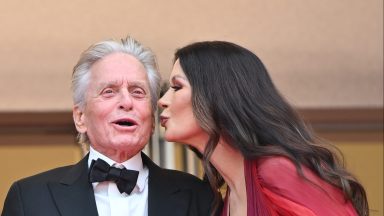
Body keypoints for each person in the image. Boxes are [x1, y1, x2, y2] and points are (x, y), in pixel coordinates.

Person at [2, 37, 216, 216]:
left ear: (151, 119)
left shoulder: (199, 196)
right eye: (109, 91)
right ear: (80, 117)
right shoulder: (29, 198)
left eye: (137, 92)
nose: (126, 102)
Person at [158, 41, 369, 216]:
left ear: (218, 95)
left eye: (177, 87)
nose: (162, 101)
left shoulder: (278, 171)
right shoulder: (226, 200)